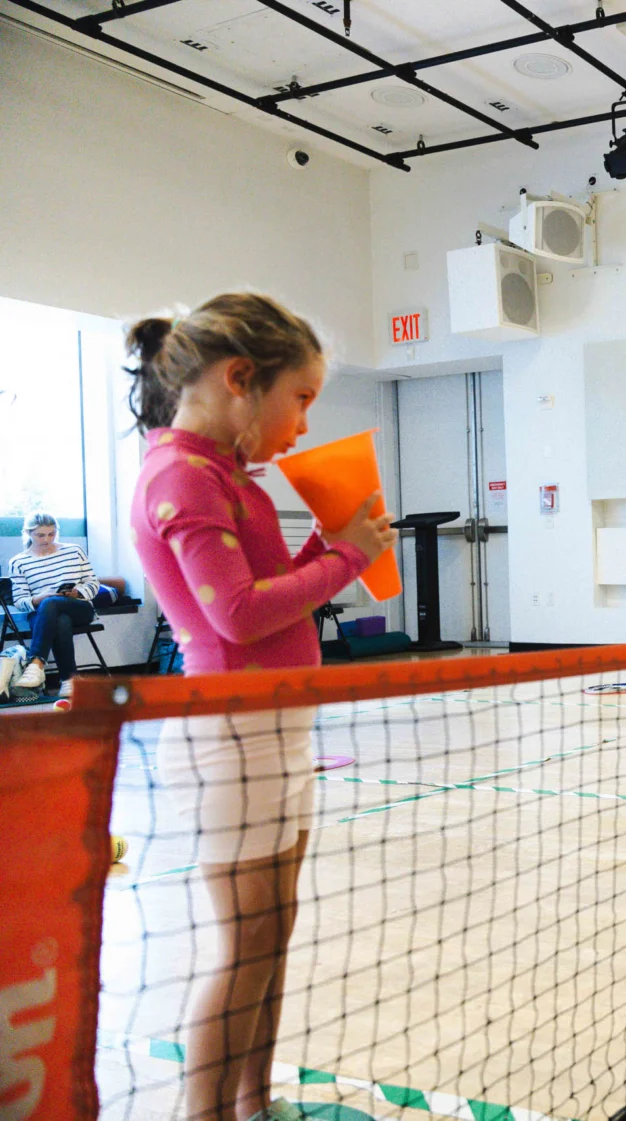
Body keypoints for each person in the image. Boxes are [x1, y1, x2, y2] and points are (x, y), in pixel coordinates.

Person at [126, 292, 395, 1121]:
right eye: (301, 398)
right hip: (228, 736)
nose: (304, 424)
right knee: (243, 947)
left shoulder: (225, 474)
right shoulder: (179, 476)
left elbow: (271, 592)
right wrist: (347, 557)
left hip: (278, 726)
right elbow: (237, 615)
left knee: (271, 939)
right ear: (241, 378)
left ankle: (254, 1103)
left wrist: (329, 542)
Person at [6, 512, 101, 696]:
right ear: (27, 533)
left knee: (54, 604)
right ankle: (69, 680)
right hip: (43, 614)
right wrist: (40, 597)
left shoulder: (74, 551)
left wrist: (77, 592)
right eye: (40, 535)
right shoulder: (19, 562)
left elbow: (93, 583)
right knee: (60, 619)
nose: (46, 539)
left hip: (79, 607)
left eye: (51, 534)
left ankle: (36, 664)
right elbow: (20, 601)